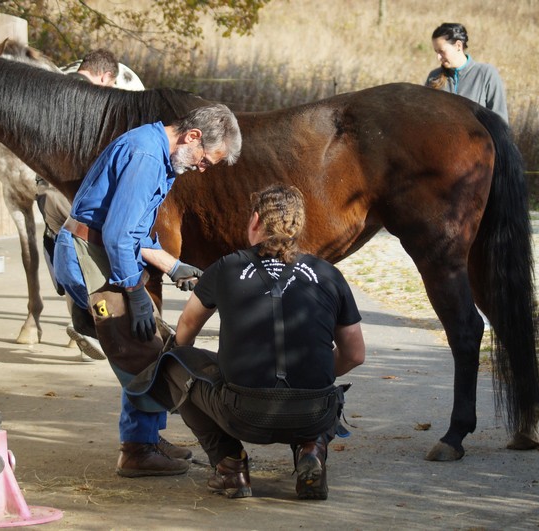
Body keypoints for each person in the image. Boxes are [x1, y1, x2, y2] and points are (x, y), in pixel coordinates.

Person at [126, 184, 366, 500]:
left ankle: (230, 466)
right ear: (298, 227)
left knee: (173, 365)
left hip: (242, 414)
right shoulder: (328, 274)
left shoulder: (226, 267)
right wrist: (315, 375)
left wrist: (182, 362)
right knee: (319, 387)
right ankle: (312, 449)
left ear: (255, 221)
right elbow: (355, 354)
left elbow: (186, 327)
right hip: (314, 414)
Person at [53, 103, 243, 477]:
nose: (201, 169)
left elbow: (134, 233)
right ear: (193, 137)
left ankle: (148, 437)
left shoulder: (158, 152)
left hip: (101, 252)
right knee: (144, 351)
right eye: (206, 160)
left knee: (149, 343)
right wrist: (136, 294)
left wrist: (173, 266)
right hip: (88, 256)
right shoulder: (146, 157)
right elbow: (118, 236)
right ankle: (137, 450)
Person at [36, 48, 123, 362]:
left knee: (63, 254)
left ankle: (80, 325)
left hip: (46, 193)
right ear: (103, 75)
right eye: (110, 85)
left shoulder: (51, 91)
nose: (109, 91)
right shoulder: (91, 98)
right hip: (77, 193)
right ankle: (93, 328)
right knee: (90, 260)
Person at [426, 22, 509, 124]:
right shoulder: (434, 77)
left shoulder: (486, 74)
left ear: (458, 46)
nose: (438, 57)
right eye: (436, 52)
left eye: (442, 51)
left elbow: (501, 122)